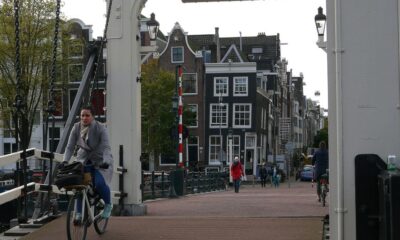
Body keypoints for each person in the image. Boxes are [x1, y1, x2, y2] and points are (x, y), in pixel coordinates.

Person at [61, 105, 114, 220]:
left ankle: (108, 205)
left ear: (93, 117)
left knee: (100, 183)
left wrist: (106, 161)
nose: (84, 118)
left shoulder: (100, 128)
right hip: (83, 161)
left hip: (100, 161)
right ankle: (79, 213)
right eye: (82, 115)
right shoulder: (76, 127)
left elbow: (106, 147)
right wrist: (65, 160)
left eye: (87, 115)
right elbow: (70, 147)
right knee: (80, 186)